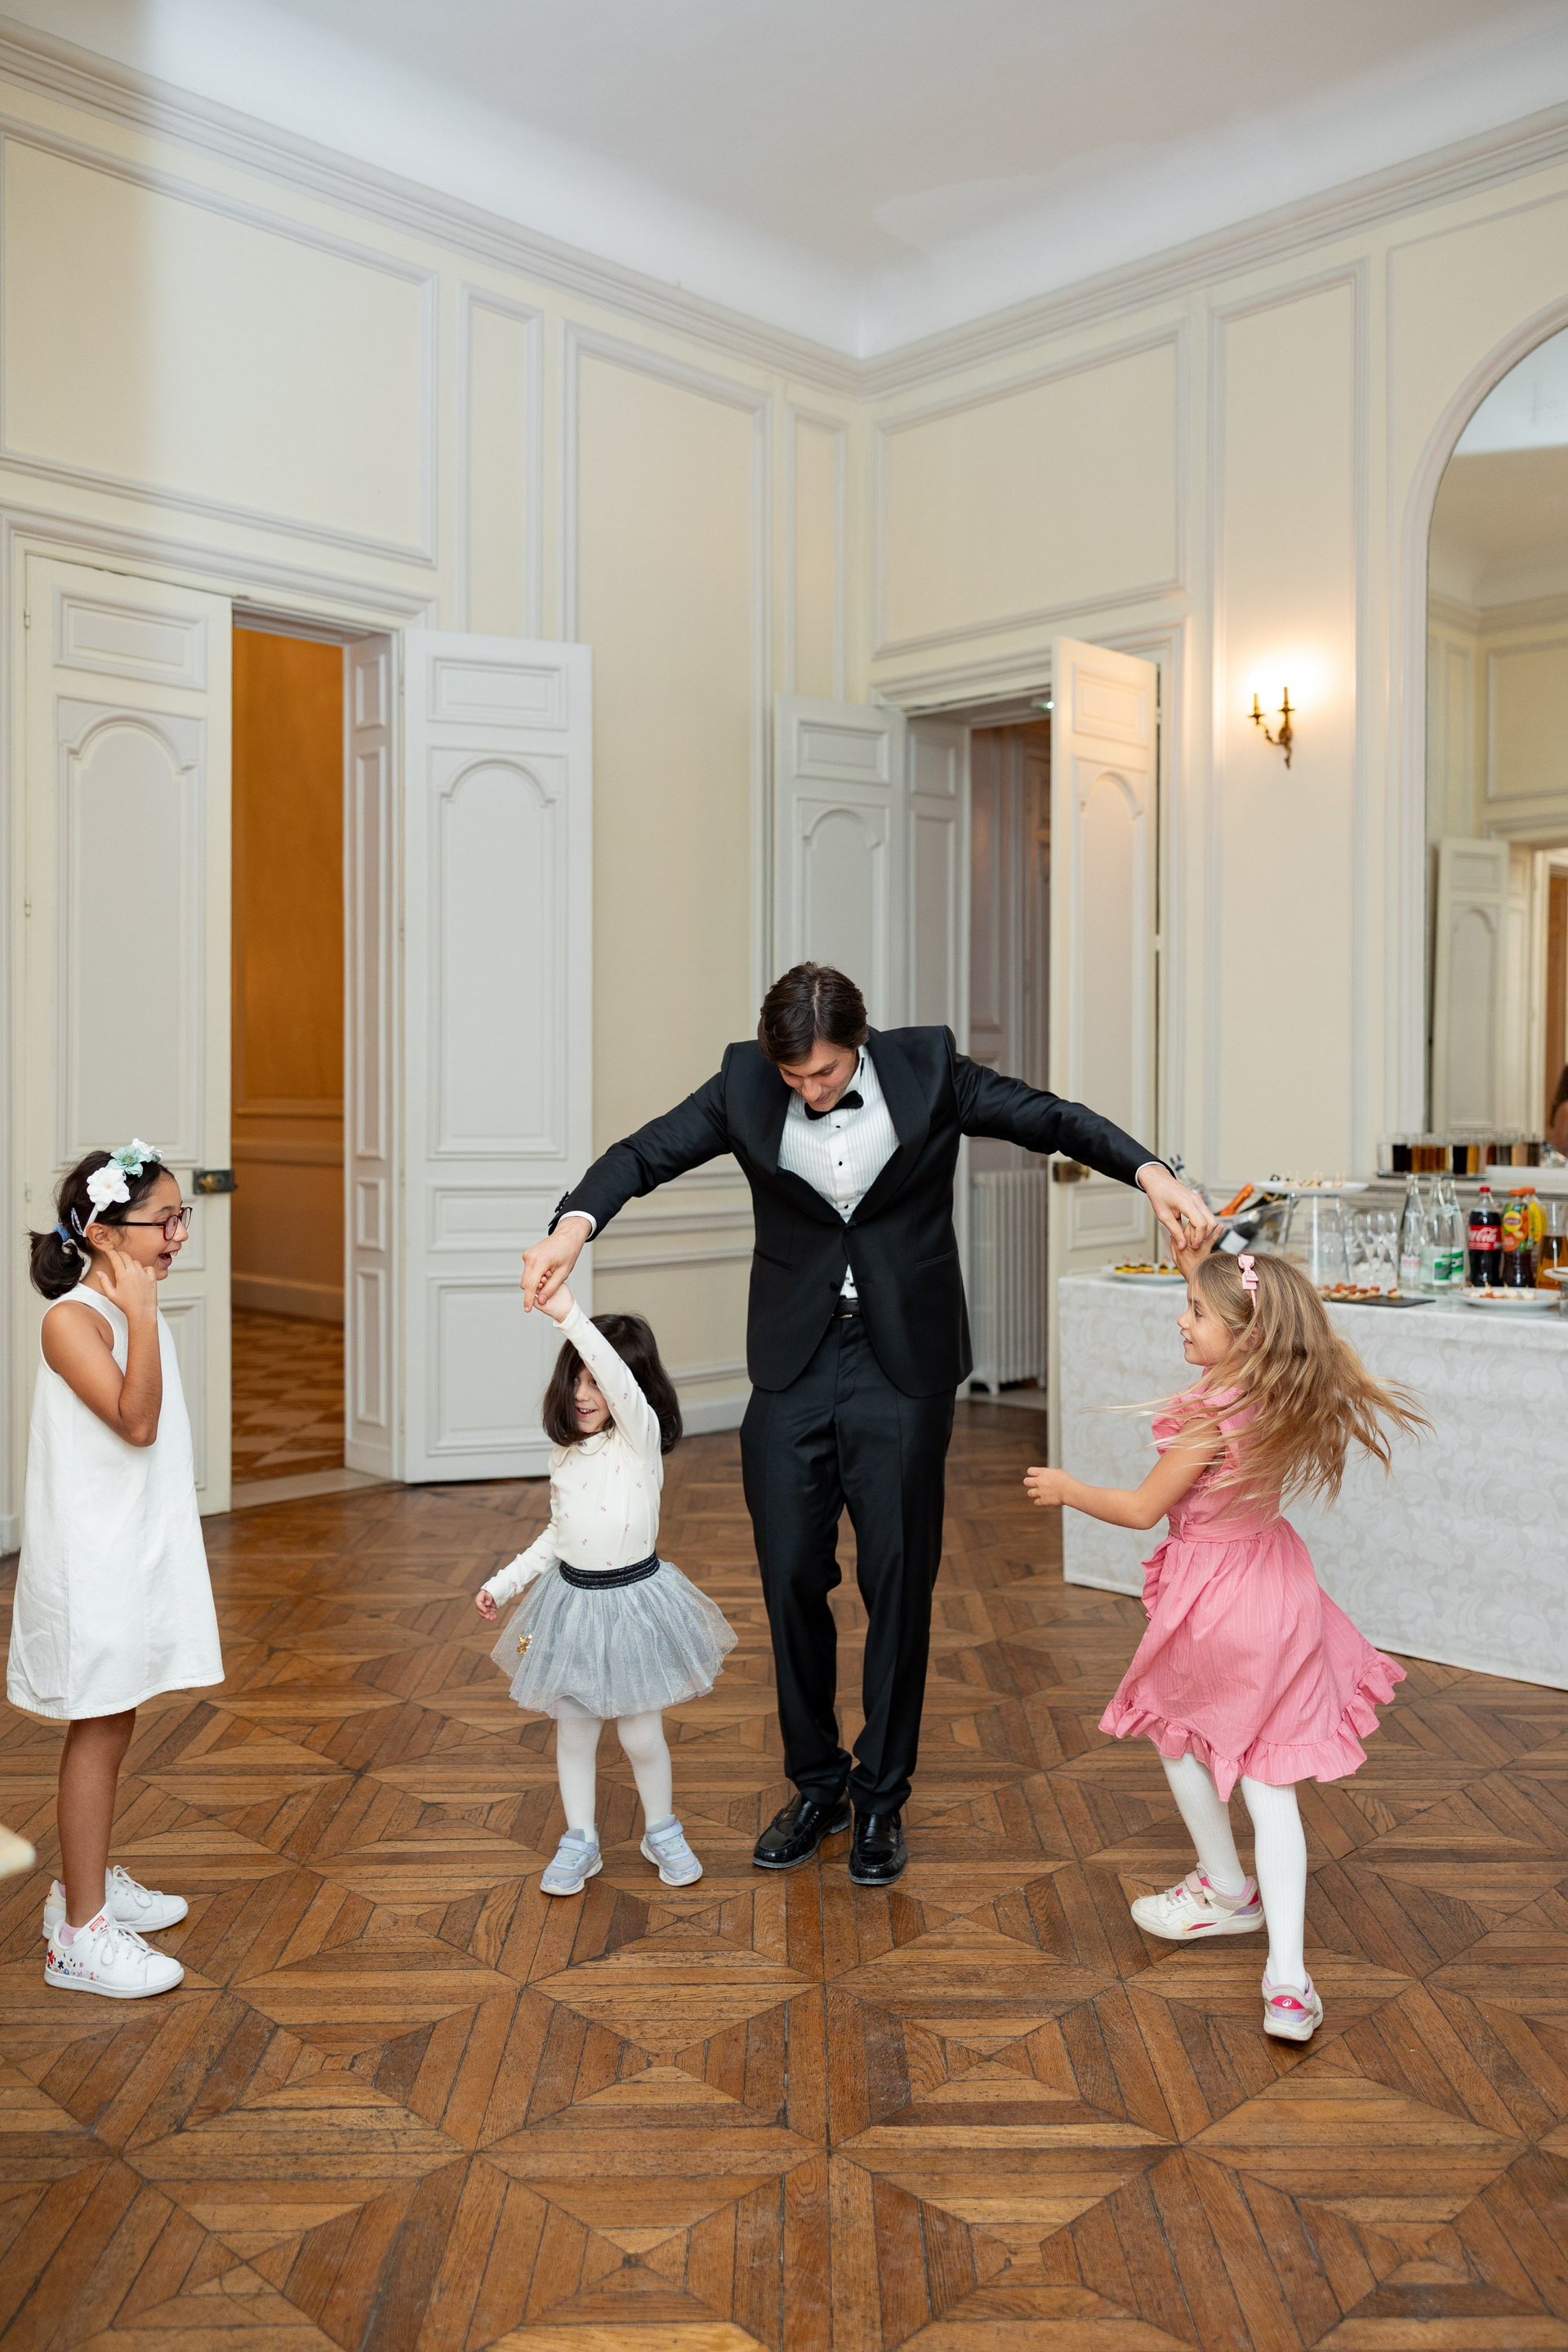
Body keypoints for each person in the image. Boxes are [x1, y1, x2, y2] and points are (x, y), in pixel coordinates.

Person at [520, 961, 1214, 1887]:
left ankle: (882, 1797)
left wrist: (1151, 1173)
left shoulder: (930, 1070)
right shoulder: (743, 1083)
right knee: (789, 1578)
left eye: (826, 1073)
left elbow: (1050, 1118)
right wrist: (571, 1227)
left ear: (860, 1042)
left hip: (904, 1362)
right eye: (794, 1077)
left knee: (899, 1580)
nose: (810, 1091)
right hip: (794, 1361)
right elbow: (643, 1154)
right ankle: (817, 1787)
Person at [1025, 1244, 1426, 2042]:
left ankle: (1227, 1890)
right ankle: (1287, 1983)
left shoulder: (1209, 1416)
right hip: (1278, 1590)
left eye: (1196, 1312)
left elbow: (1143, 1510)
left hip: (1217, 1606)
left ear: (1242, 1334)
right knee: (1269, 1784)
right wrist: (1199, 1268)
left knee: (1178, 1738)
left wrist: (1068, 1489)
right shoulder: (1274, 1389)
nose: (1182, 1319)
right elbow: (1238, 1318)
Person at [14, 1143, 223, 1999]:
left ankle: (82, 1883)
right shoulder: (74, 1321)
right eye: (164, 1220)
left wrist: (141, 1309)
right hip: (92, 1560)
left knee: (119, 1712)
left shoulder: (130, 1306)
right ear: (103, 1234)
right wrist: (139, 1313)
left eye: (182, 1216)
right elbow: (136, 1424)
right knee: (98, 1724)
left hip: (133, 1543)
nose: (180, 1234)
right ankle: (78, 1936)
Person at [474, 1285, 734, 1895]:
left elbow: (619, 1382)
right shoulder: (565, 1456)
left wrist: (568, 1315)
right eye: (576, 1380)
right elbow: (557, 1535)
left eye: (597, 1381)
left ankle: (661, 1830)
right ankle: (581, 1839)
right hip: (572, 1607)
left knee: (641, 1734)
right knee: (575, 1731)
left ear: (628, 1389)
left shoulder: (638, 1440)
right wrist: (504, 1584)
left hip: (635, 1606)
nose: (584, 1393)